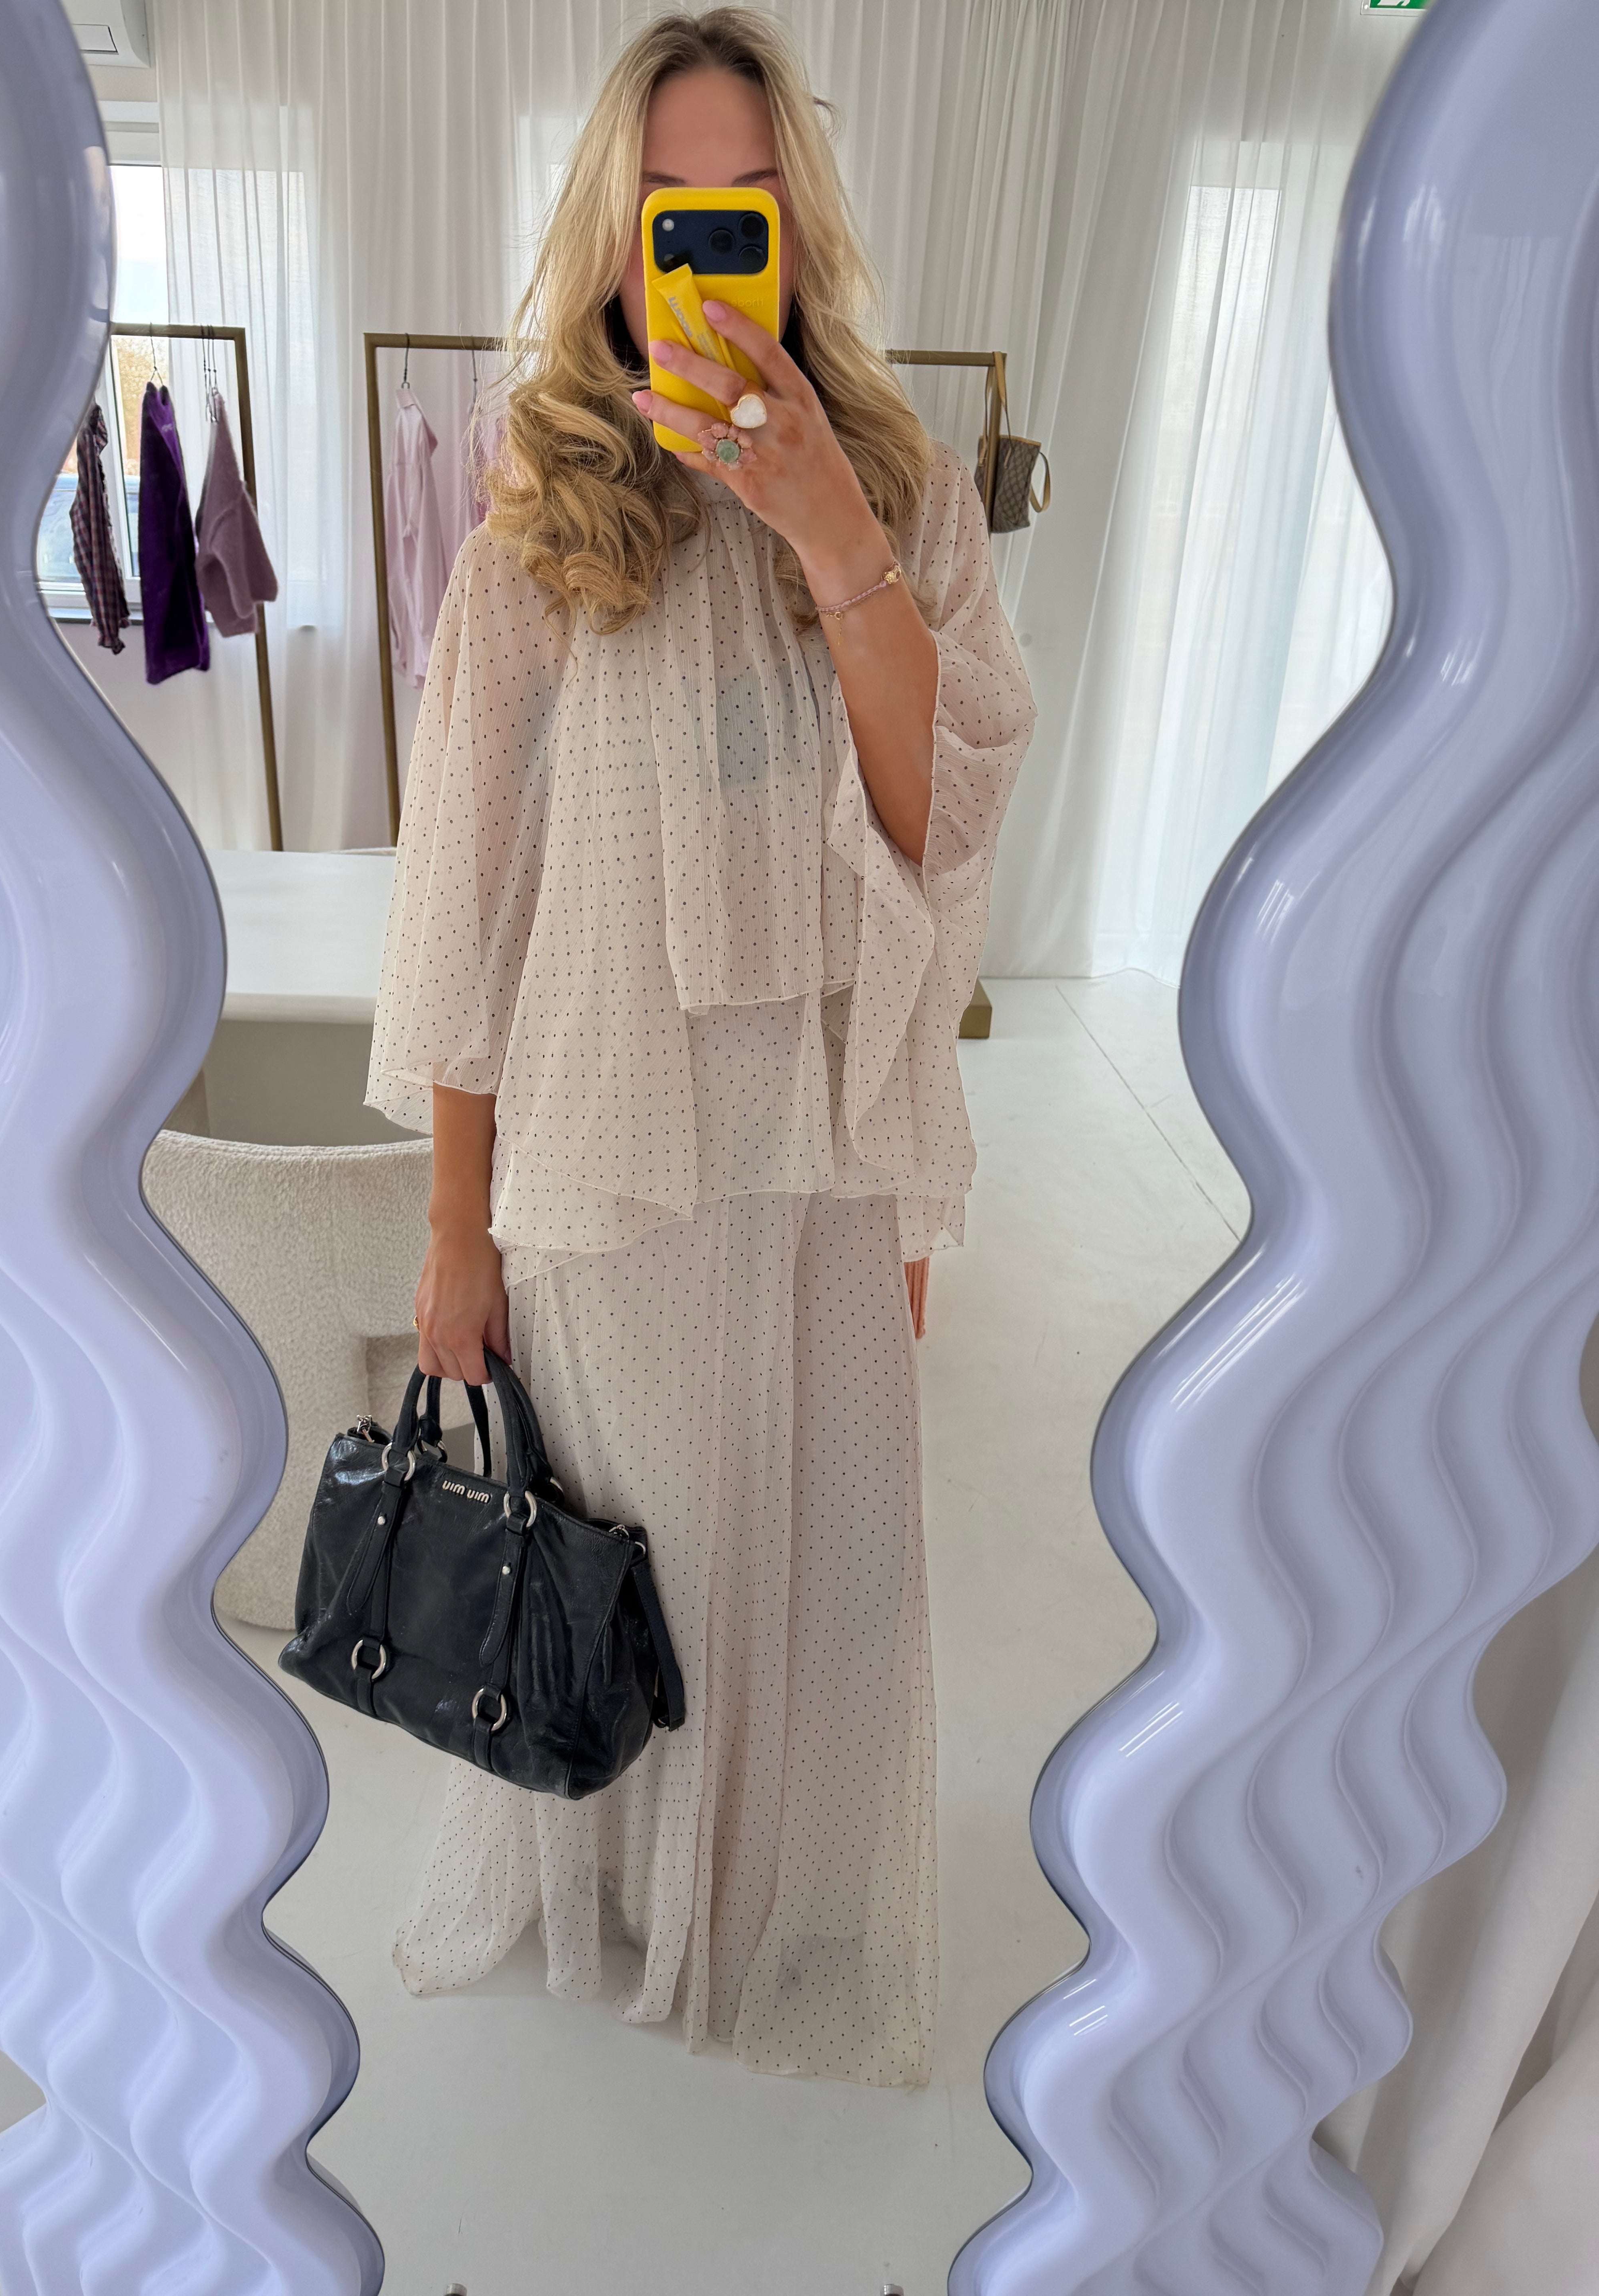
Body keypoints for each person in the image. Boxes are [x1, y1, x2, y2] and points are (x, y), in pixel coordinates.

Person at [367, 6, 1034, 2088]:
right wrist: (454, 1227)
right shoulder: (541, 523)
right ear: (615, 231)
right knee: (633, 1548)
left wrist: (834, 540)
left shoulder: (906, 498)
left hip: (820, 1140)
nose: (713, 246)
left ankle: (771, 1892)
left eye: (750, 205)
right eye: (675, 209)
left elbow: (936, 821)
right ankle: (631, 1894)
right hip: (607, 1139)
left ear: (797, 228)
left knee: (811, 1568)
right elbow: (467, 908)